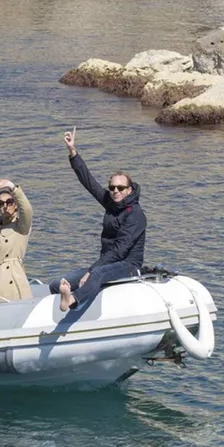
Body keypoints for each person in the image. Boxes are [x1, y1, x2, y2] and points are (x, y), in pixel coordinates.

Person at [50, 127, 146, 312]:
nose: (115, 191)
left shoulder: (136, 215)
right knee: (56, 283)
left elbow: (119, 251)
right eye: (112, 188)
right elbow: (89, 182)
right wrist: (73, 152)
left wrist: (93, 270)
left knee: (98, 273)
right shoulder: (111, 203)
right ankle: (61, 302)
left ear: (129, 190)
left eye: (120, 188)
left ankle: (72, 301)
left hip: (129, 266)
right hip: (107, 262)